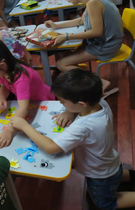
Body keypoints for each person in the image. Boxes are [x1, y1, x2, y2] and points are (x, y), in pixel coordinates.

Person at [9, 69, 135, 210]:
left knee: (105, 204)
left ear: (81, 104)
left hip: (99, 175)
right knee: (115, 174)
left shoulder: (83, 126)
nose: (61, 103)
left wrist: (24, 126)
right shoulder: (99, 103)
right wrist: (68, 111)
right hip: (110, 161)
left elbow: (51, 147)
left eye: (63, 101)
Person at [45, 0, 123, 92]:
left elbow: (96, 32)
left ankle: (100, 82)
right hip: (105, 42)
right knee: (63, 54)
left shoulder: (93, 3)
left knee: (61, 64)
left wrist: (67, 36)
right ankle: (83, 80)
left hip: (106, 46)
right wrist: (58, 25)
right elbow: (81, 20)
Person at [0, 38, 54, 148]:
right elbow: (3, 85)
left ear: (1, 65)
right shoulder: (4, 71)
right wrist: (2, 98)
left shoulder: (21, 78)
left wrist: (9, 130)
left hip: (44, 103)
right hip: (29, 103)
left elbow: (23, 108)